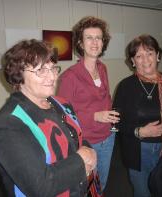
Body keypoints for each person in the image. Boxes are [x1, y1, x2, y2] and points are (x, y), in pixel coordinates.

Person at [0, 39, 97, 197]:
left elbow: (75, 137)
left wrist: (89, 149)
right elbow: (40, 186)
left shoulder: (60, 103)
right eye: (41, 70)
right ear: (19, 76)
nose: (52, 77)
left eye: (53, 68)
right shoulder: (8, 125)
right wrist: (81, 161)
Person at [113, 34, 162, 197]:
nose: (145, 59)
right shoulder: (126, 86)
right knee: (143, 192)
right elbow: (115, 122)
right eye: (139, 56)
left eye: (150, 53)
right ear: (132, 61)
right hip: (138, 151)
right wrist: (139, 132)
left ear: (158, 56)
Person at [57, 16, 119, 191]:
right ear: (81, 43)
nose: (94, 42)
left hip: (108, 137)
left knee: (102, 183)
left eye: (98, 38)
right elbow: (63, 116)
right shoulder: (70, 77)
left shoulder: (102, 68)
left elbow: (104, 98)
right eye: (89, 38)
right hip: (87, 142)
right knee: (86, 187)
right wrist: (95, 116)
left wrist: (110, 113)